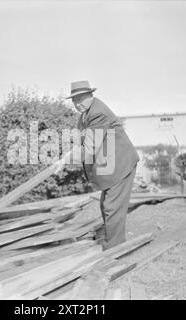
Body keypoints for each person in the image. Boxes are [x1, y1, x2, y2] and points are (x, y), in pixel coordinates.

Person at [67, 80, 139, 249]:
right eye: (74, 101)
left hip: (121, 164)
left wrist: (66, 160)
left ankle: (114, 249)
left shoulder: (98, 113)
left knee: (112, 206)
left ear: (90, 95)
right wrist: (66, 157)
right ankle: (110, 239)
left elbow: (90, 147)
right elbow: (81, 144)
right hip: (109, 165)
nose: (77, 104)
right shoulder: (84, 117)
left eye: (81, 99)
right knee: (105, 204)